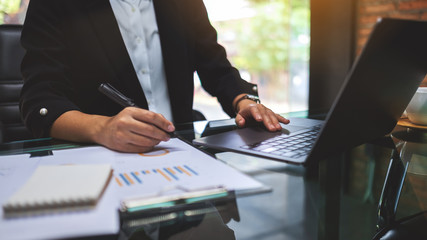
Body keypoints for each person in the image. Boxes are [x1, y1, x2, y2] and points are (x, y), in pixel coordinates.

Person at [19, 0, 289, 153]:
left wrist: (245, 102)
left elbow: (215, 66)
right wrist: (103, 128)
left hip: (182, 153)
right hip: (100, 159)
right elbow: (40, 99)